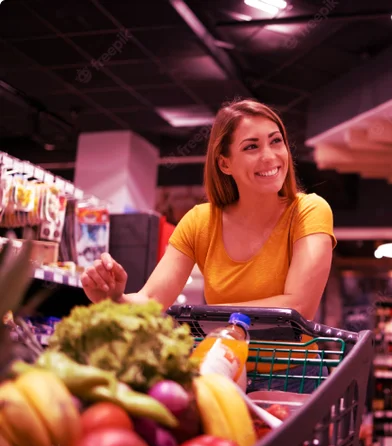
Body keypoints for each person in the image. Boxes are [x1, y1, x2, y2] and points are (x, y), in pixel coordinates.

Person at [80, 98, 337, 392]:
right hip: (221, 370)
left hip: (295, 375)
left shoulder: (309, 211)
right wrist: (115, 299)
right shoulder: (200, 221)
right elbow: (151, 298)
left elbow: (299, 306)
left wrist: (203, 316)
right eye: (251, 146)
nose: (270, 156)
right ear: (224, 163)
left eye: (276, 141)